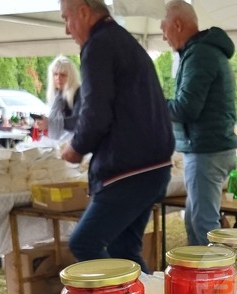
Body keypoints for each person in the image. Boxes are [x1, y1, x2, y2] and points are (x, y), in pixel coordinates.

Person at [60, 0, 174, 272]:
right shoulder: (122, 41)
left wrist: (76, 147)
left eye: (66, 18)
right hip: (151, 166)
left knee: (84, 243)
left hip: (127, 169)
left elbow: (95, 112)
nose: (67, 29)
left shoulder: (98, 46)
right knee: (124, 251)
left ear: (84, 12)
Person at [161, 0, 237, 247]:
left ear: (177, 24)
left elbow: (186, 108)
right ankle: (201, 271)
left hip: (207, 150)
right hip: (210, 148)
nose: (163, 36)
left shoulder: (199, 54)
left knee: (204, 225)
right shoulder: (205, 51)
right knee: (195, 222)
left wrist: (152, 102)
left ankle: (218, 272)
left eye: (164, 28)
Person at [40, 55, 81, 139]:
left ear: (71, 77)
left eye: (63, 75)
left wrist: (50, 122)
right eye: (55, 74)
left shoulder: (79, 93)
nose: (58, 78)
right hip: (61, 142)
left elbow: (79, 121)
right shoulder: (57, 95)